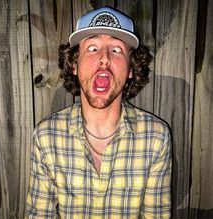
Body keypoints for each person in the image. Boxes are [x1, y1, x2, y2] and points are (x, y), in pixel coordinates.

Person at [26, 6, 172, 218]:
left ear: (131, 69)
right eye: (93, 48)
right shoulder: (46, 136)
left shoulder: (156, 137)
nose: (104, 58)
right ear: (75, 64)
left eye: (116, 49)